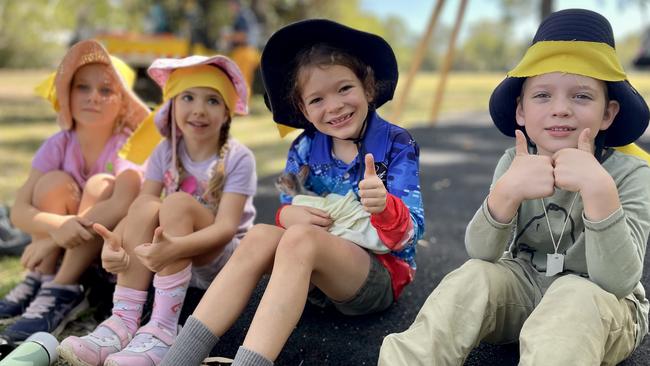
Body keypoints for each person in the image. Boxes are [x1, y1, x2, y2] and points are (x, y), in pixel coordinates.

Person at [379, 8, 650, 366]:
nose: (561, 109)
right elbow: (482, 252)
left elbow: (618, 281)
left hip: (602, 307)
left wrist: (599, 190)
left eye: (581, 96)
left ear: (608, 113)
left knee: (573, 295)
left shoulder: (632, 172)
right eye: (542, 96)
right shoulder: (515, 162)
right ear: (520, 111)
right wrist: (506, 193)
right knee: (472, 277)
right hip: (525, 288)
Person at [160, 19, 425, 366]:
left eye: (344, 88)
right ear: (302, 109)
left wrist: (385, 208)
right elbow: (288, 205)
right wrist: (287, 214)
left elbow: (409, 235)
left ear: (368, 86)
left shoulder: (396, 144)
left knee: (302, 239)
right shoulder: (303, 148)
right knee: (258, 237)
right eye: (317, 98)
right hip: (314, 277)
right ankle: (179, 357)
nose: (334, 106)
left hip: (378, 276)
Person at [57, 54, 256, 366]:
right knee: (150, 203)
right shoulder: (165, 150)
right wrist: (118, 246)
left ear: (228, 113)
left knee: (174, 202)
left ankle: (163, 331)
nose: (199, 109)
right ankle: (123, 323)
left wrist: (175, 247)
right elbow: (141, 208)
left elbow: (226, 228)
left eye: (213, 100)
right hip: (172, 251)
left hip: (223, 259)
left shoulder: (238, 157)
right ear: (172, 105)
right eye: (188, 97)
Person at [0, 40, 149, 342]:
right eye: (83, 87)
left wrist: (57, 235)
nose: (94, 96)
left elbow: (122, 202)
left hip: (105, 256)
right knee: (52, 182)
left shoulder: (127, 145)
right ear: (67, 94)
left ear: (123, 102)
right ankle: (40, 277)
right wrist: (58, 231)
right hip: (56, 250)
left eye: (106, 90)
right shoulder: (59, 143)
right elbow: (19, 211)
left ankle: (64, 288)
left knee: (100, 185)